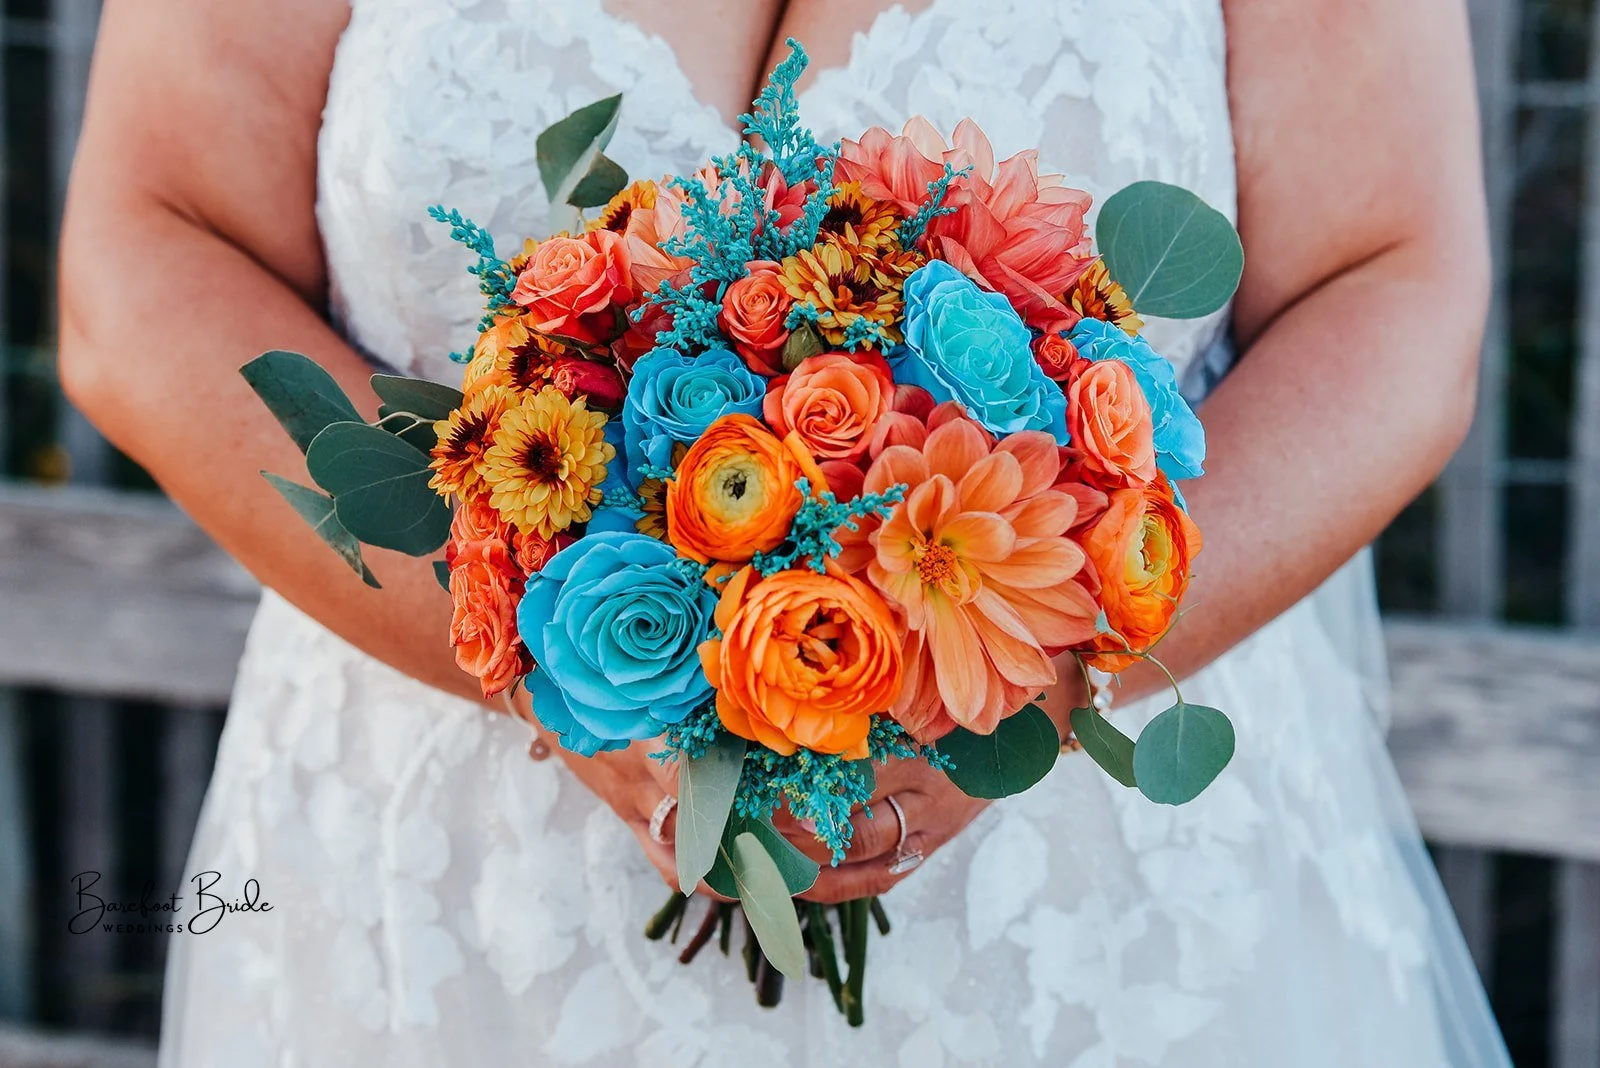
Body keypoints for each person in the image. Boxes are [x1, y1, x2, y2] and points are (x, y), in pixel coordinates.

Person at [60, 0, 1511, 1063]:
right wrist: (553, 658)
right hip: (443, 905)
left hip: (1089, 928)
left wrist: (1037, 670)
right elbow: (142, 255)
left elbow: (1395, 287)